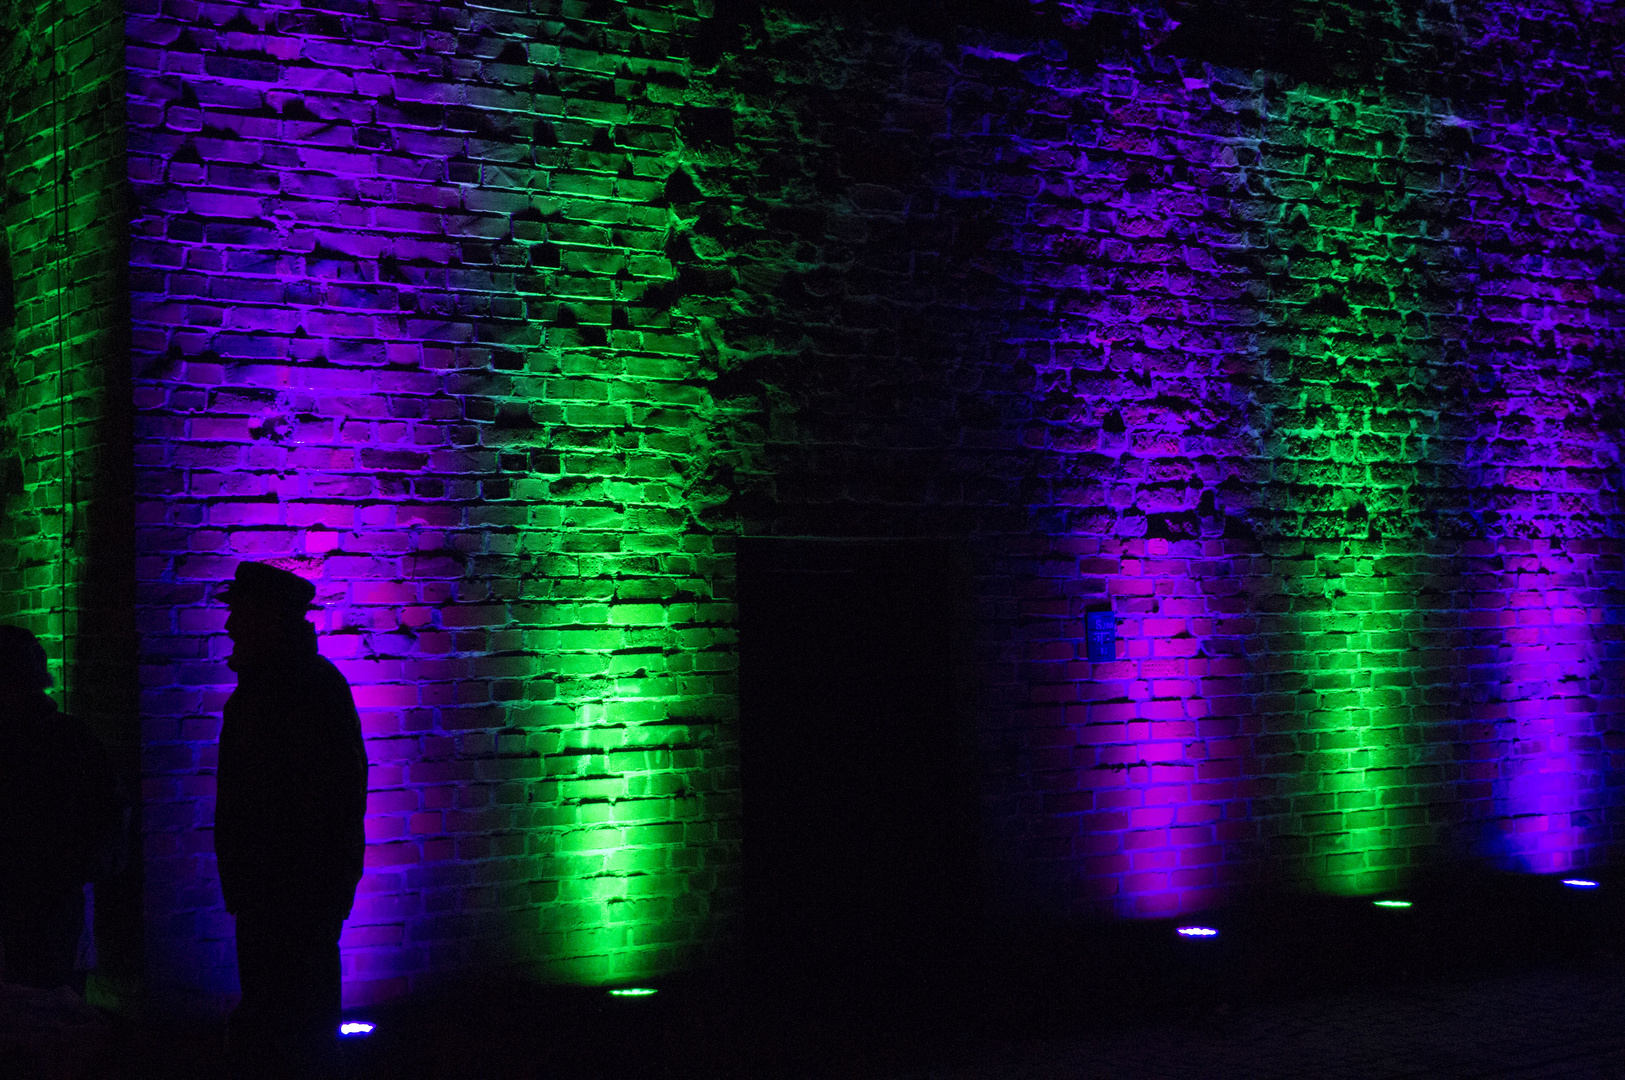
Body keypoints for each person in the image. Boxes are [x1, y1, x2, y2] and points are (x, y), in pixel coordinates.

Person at [215, 562, 368, 1078]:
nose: (230, 623)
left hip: (291, 892)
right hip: (283, 891)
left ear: (268, 617)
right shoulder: (291, 686)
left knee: (291, 1024)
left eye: (239, 611)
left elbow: (326, 800)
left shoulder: (292, 691)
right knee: (291, 1021)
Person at [0, 624, 122, 992]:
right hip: (61, 901)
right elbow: (109, 817)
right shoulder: (74, 737)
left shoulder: (57, 741)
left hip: (39, 901)